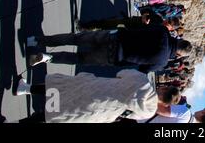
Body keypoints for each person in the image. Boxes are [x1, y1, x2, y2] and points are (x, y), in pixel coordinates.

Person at [26, 25, 193, 73]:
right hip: (114, 57)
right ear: (179, 54)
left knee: (75, 39)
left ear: (180, 40)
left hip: (115, 36)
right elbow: (142, 69)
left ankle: (37, 41)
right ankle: (47, 58)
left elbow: (142, 27)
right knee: (78, 59)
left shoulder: (162, 31)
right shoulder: (161, 62)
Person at [13, 69, 158, 123]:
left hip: (96, 87)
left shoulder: (143, 81)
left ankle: (25, 88)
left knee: (58, 88)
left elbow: (121, 73)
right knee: (55, 113)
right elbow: (131, 116)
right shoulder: (149, 111)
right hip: (101, 110)